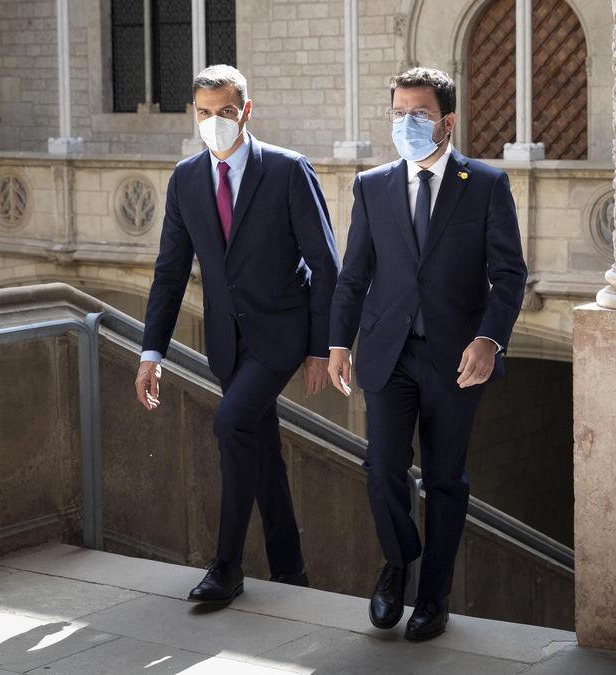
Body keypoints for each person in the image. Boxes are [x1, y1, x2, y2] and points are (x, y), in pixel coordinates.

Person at [327, 67, 526, 641]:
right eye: (398, 113)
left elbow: (509, 275)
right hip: (388, 354)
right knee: (383, 466)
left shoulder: (485, 185)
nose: (406, 124)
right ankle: (397, 563)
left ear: (446, 120)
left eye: (418, 114)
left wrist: (489, 339)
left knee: (444, 478)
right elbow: (354, 274)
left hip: (456, 359)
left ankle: (432, 599)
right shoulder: (372, 186)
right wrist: (339, 342)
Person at [137, 64, 339, 606]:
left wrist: (322, 347)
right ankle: (290, 567)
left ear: (245, 111)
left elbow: (326, 265)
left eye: (225, 112)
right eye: (204, 113)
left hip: (281, 336)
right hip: (226, 343)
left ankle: (226, 568)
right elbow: (170, 270)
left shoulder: (288, 170)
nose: (214, 122)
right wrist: (151, 350)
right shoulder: (185, 179)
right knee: (261, 447)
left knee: (230, 426)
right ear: (194, 115)